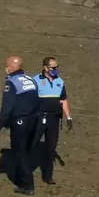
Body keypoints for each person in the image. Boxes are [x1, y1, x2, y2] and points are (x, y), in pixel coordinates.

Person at [0, 56, 39, 195]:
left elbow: (7, 107)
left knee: (19, 152)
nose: (6, 68)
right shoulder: (31, 80)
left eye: (7, 65)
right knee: (26, 151)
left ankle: (27, 185)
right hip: (34, 120)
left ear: (12, 67)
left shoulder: (11, 82)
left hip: (20, 122)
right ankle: (22, 176)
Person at [31, 56, 72, 185]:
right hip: (39, 117)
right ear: (45, 68)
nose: (55, 70)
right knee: (31, 143)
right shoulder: (35, 80)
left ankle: (48, 176)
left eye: (56, 67)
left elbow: (63, 100)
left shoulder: (60, 81)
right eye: (53, 68)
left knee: (51, 148)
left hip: (54, 119)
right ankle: (25, 170)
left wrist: (68, 117)